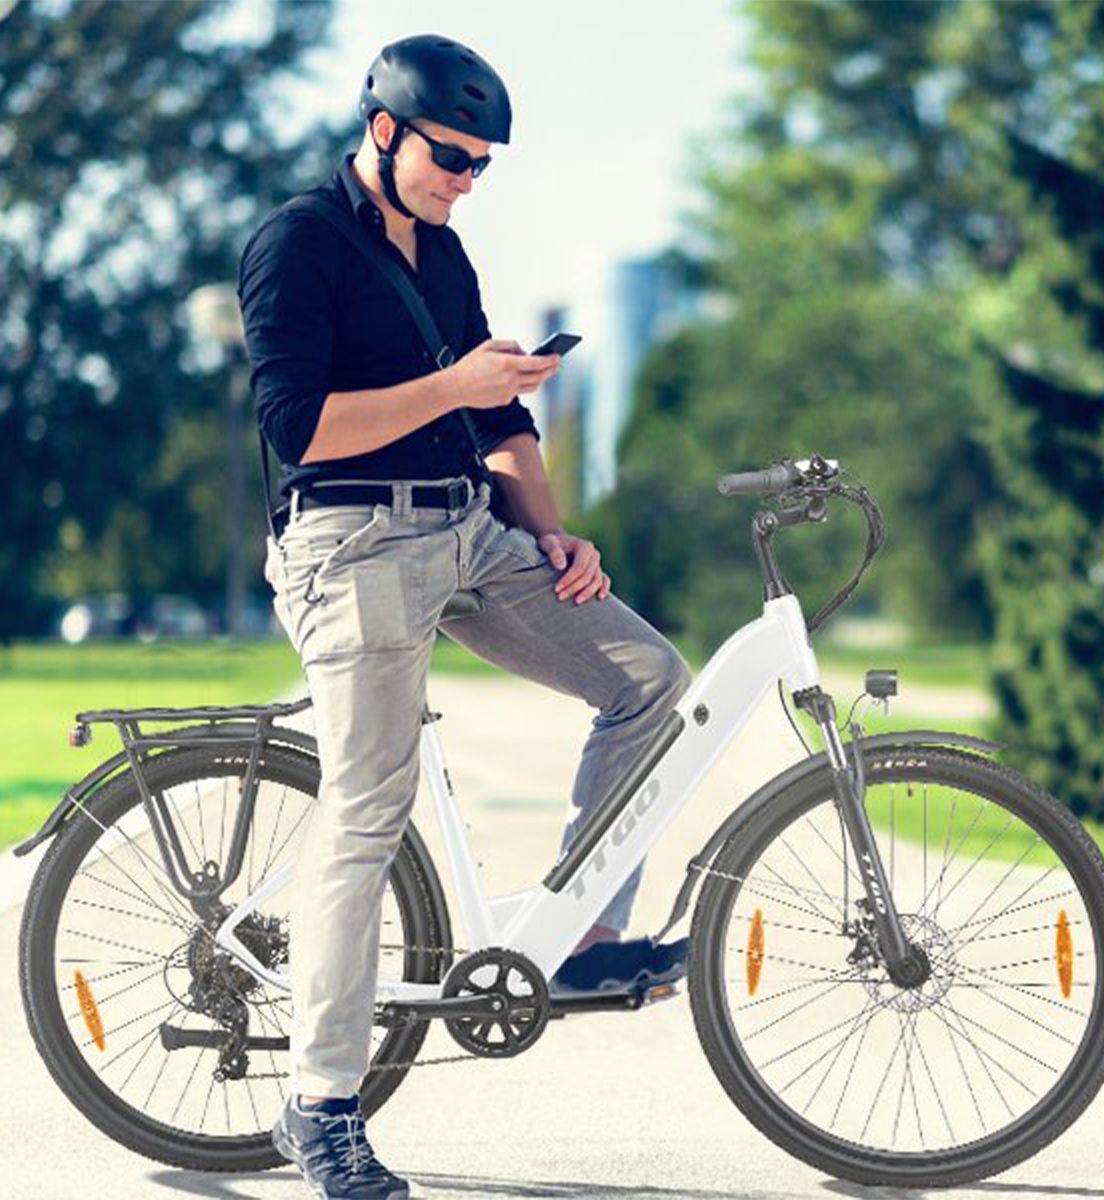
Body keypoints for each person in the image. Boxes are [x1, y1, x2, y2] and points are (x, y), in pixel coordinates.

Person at [237, 34, 692, 1200]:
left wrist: (551, 529)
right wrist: (455, 385)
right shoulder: (298, 242)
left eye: (483, 164)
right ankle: (320, 1104)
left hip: (472, 529)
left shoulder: (442, 252)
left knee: (650, 679)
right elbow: (299, 429)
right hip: (354, 543)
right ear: (383, 129)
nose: (466, 179)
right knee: (368, 806)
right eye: (452, 155)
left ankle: (583, 939)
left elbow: (502, 427)